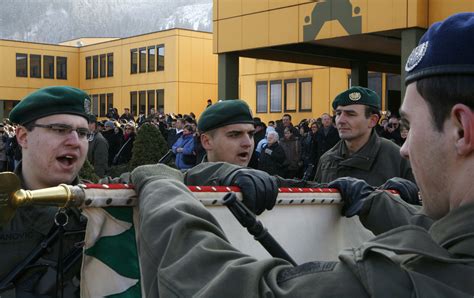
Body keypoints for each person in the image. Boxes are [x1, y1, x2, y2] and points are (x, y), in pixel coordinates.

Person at [128, 13, 474, 296]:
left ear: (461, 129)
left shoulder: (410, 280)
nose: (405, 146)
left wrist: (161, 186)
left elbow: (219, 286)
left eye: (410, 126)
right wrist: (377, 203)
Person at [0, 86, 90, 297]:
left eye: (84, 133)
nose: (75, 142)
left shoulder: (102, 206)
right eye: (60, 130)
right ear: (23, 136)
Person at [314, 86, 415, 186]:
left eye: (350, 114)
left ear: (373, 120)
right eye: (338, 113)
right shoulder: (327, 161)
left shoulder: (397, 159)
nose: (340, 120)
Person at [198, 99, 255, 167]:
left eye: (251, 134)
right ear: (207, 141)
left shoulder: (261, 177)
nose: (248, 143)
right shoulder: (190, 177)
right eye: (235, 135)